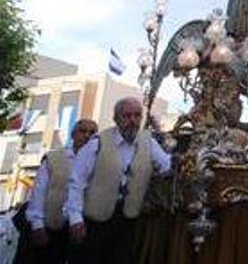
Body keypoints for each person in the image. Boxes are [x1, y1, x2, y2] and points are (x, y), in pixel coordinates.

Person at [66, 98, 172, 264]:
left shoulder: (148, 143)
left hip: (126, 221)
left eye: (137, 116)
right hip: (94, 222)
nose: (132, 121)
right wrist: (75, 218)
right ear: (116, 118)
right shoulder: (98, 143)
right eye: (127, 116)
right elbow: (76, 182)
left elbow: (167, 166)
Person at [18, 119, 97, 264]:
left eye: (92, 133)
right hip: (48, 228)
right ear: (73, 135)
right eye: (83, 131)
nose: (87, 136)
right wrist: (37, 224)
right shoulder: (54, 159)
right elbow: (39, 192)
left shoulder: (97, 164)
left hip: (76, 231)